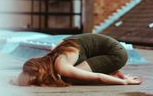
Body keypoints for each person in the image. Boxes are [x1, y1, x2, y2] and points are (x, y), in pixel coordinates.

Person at [12, 33, 142, 87]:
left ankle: (113, 73)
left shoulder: (61, 66)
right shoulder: (55, 51)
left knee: (69, 78)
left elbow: (97, 77)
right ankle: (112, 71)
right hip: (112, 48)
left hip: (116, 55)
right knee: (70, 73)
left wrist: (125, 82)